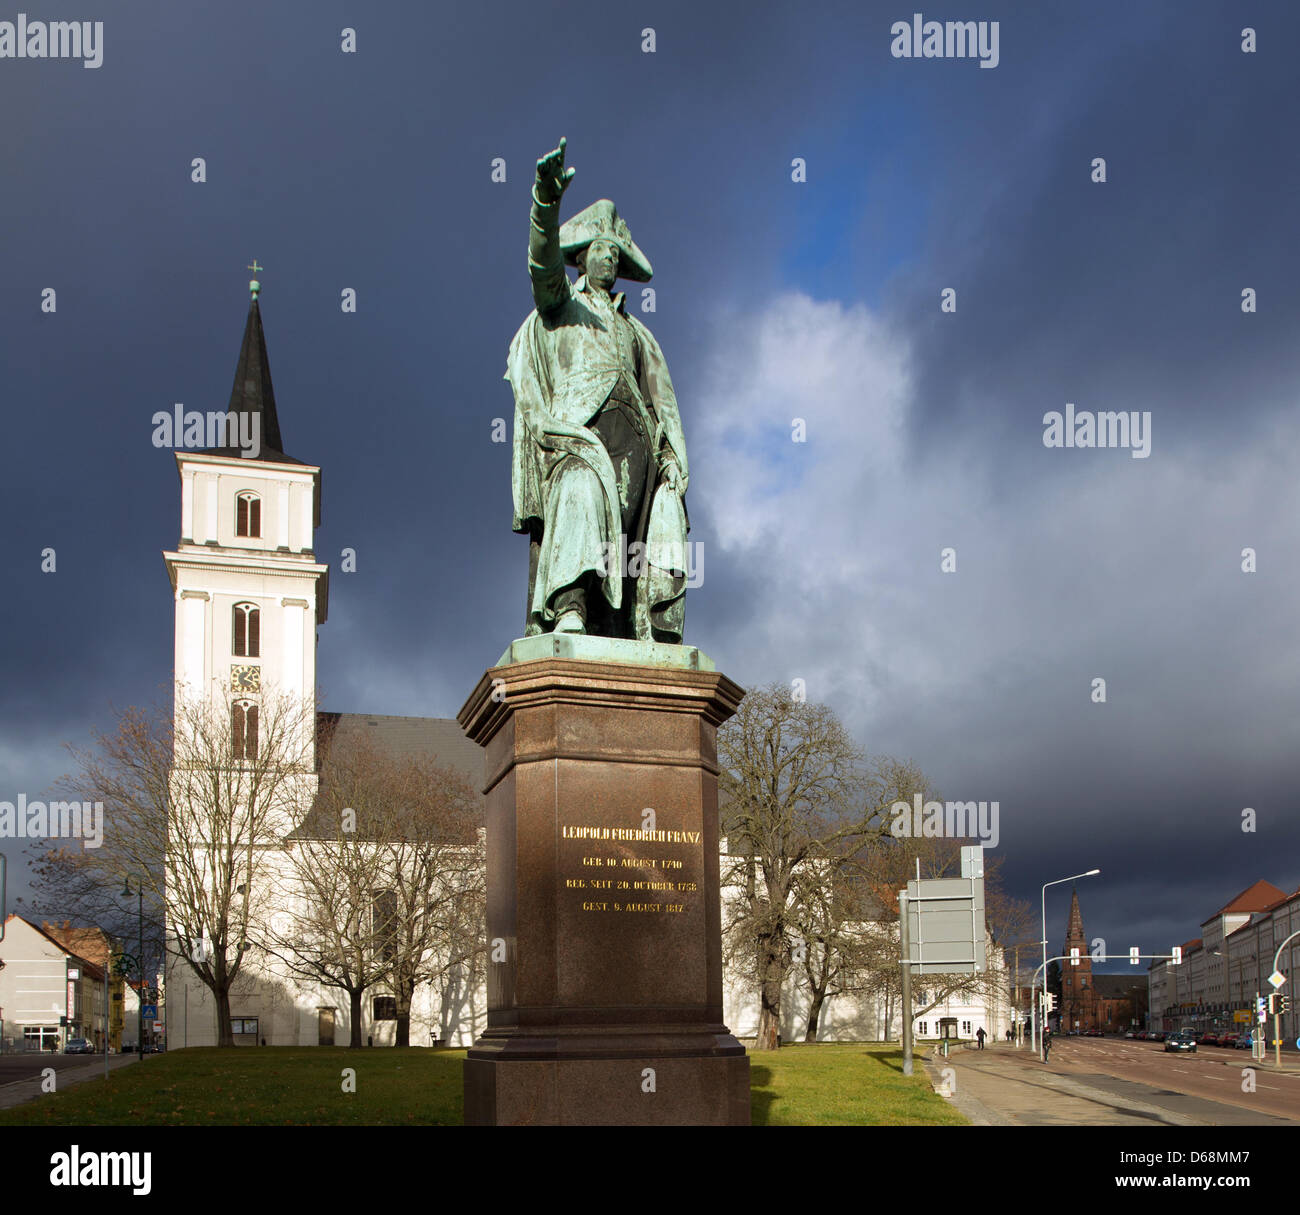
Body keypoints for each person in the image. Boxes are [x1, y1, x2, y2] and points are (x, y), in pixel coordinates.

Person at [507, 138, 690, 641]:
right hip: (579, 433)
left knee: (635, 542)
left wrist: (672, 455)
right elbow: (541, 268)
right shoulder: (563, 307)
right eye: (599, 251)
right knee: (581, 491)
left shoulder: (638, 332)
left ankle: (633, 628)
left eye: (614, 253)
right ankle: (570, 609)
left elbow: (662, 400)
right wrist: (545, 206)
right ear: (582, 259)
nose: (607, 260)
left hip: (637, 447)